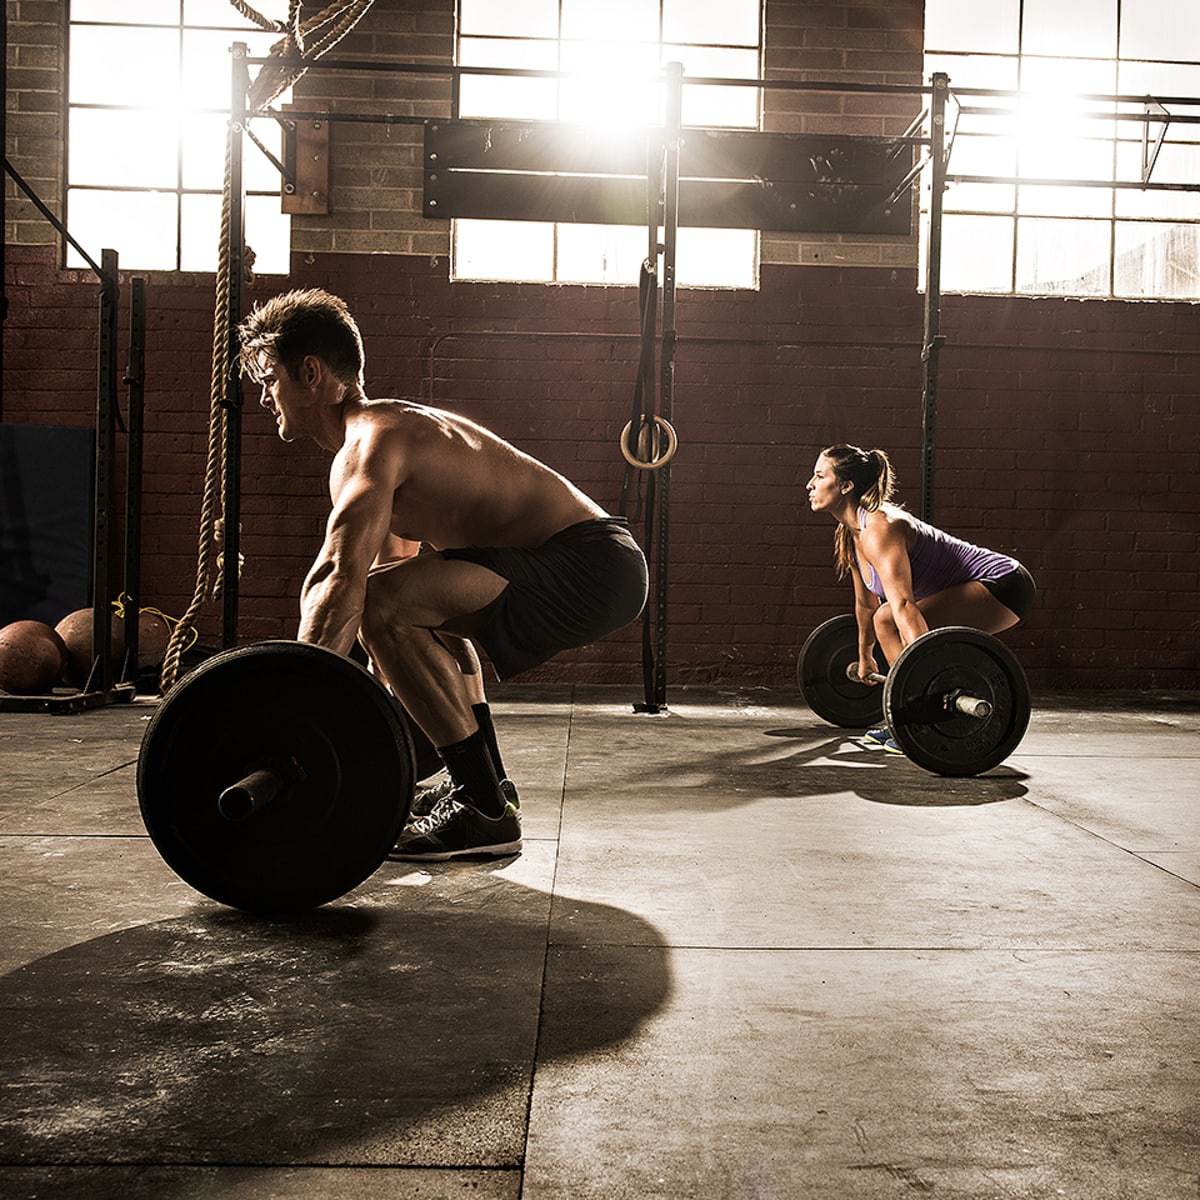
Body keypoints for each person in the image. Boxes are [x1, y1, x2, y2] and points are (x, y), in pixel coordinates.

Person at [237, 288, 648, 857]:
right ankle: (485, 790)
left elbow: (338, 577)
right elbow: (407, 615)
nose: (264, 397)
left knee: (380, 604)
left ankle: (482, 810)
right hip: (597, 565)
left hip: (591, 563)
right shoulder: (385, 439)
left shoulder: (374, 439)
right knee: (407, 610)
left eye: (269, 380)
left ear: (310, 373)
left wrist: (299, 716)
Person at [807, 444, 1035, 754]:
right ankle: (916, 713)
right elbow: (865, 603)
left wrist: (927, 676)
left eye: (820, 476)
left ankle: (920, 715)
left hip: (1004, 584)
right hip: (990, 588)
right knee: (882, 617)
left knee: (888, 619)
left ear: (846, 486)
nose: (810, 484)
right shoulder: (851, 533)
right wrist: (865, 655)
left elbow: (903, 605)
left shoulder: (879, 527)